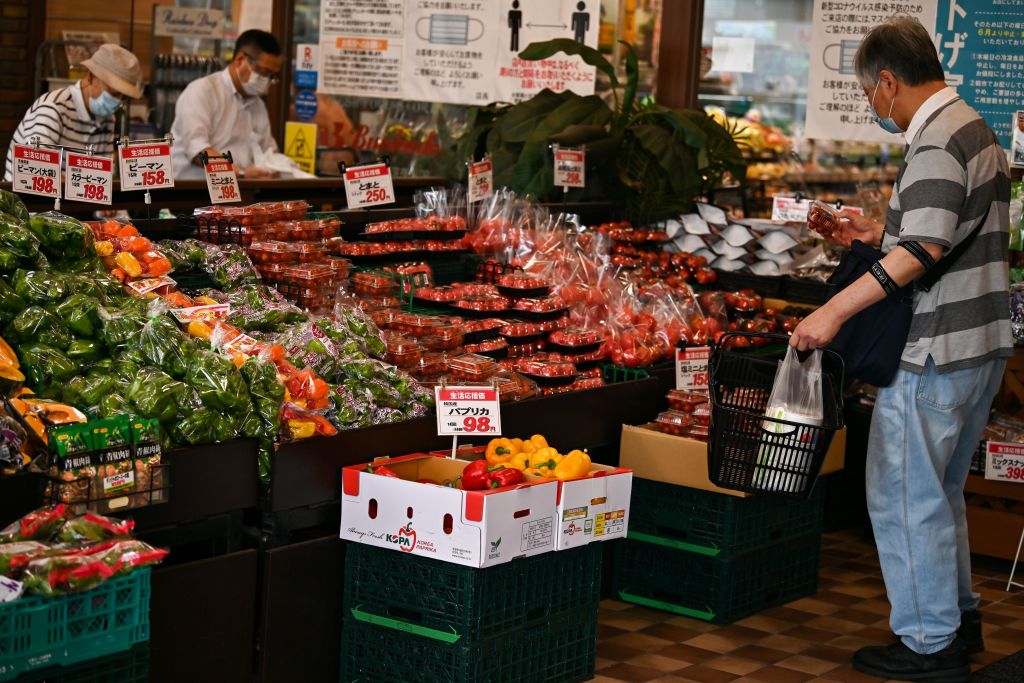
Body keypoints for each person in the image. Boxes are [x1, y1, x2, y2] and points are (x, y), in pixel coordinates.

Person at [790, 16, 1012, 683]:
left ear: (888, 81)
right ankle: (958, 621)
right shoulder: (974, 126)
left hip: (936, 350)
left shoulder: (937, 139)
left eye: (869, 93)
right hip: (980, 343)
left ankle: (928, 643)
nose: (873, 105)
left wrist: (832, 311)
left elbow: (924, 249)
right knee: (939, 493)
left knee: (904, 495)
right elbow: (941, 232)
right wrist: (873, 233)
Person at [171, 30, 302, 180]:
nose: (266, 80)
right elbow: (198, 149)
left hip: (240, 189)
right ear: (240, 60)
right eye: (264, 72)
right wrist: (240, 173)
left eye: (272, 76)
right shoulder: (203, 91)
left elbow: (267, 150)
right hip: (192, 188)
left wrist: (276, 169)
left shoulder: (258, 105)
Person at [4, 43, 142, 181]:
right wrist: (80, 185)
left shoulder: (108, 118)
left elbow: (102, 176)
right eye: (113, 92)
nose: (118, 100)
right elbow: (36, 170)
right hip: (22, 195)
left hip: (73, 195)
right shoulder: (53, 108)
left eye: (123, 96)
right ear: (91, 76)